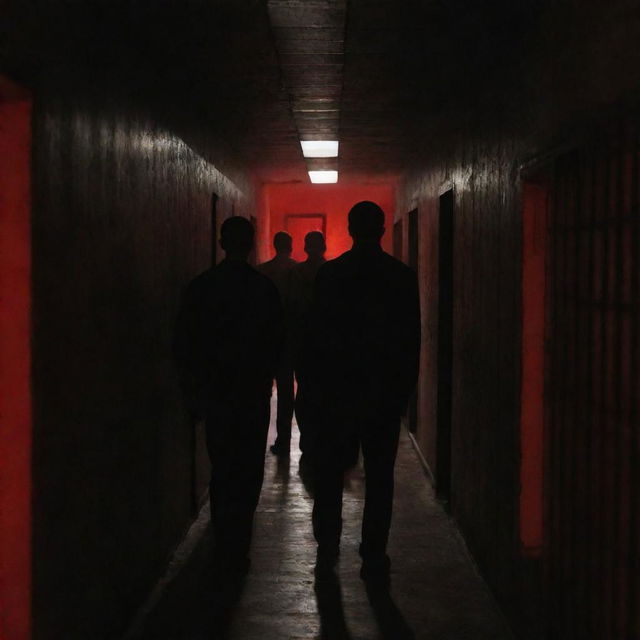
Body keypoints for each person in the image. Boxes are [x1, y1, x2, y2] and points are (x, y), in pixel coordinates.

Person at [308, 201, 420, 588]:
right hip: (382, 393)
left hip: (337, 392)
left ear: (351, 228)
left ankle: (328, 542)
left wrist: (314, 393)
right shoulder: (401, 277)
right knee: (380, 476)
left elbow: (316, 340)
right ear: (383, 229)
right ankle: (373, 552)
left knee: (331, 470)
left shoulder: (331, 275)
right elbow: (410, 341)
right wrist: (403, 393)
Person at [173, 216, 284, 578]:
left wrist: (194, 393)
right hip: (251, 393)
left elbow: (186, 345)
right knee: (249, 467)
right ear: (251, 244)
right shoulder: (262, 289)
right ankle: (239, 543)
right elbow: (275, 343)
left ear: (222, 242)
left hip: (218, 393)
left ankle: (224, 541)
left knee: (222, 466)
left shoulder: (202, 288)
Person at [258, 231, 297, 456]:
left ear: (274, 245)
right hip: (291, 336)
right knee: (286, 393)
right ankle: (284, 439)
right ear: (290, 246)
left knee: (263, 390)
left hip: (266, 338)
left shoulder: (263, 271)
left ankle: (260, 439)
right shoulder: (297, 270)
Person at [290, 231, 327, 462]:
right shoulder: (333, 272)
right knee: (324, 393)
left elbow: (292, 308)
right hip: (327, 344)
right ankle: (320, 438)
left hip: (304, 342)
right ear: (324, 247)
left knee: (304, 393)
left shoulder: (298, 273)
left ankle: (308, 438)